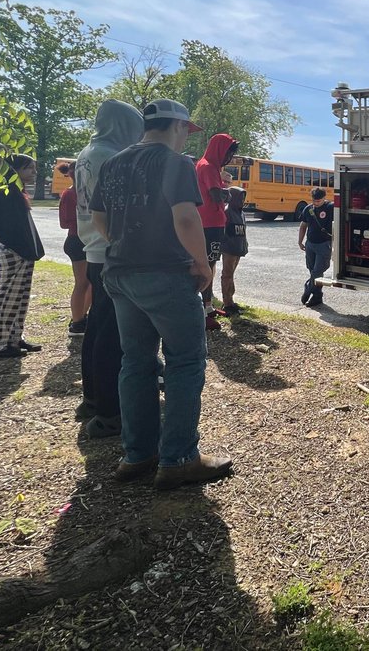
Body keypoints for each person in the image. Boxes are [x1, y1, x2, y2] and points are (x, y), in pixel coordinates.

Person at [90, 98, 232, 489]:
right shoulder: (175, 163)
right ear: (178, 126)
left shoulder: (114, 162)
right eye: (187, 130)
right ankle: (179, 459)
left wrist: (124, 245)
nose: (186, 137)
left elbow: (98, 217)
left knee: (136, 362)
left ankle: (138, 454)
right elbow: (186, 217)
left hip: (120, 273)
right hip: (166, 274)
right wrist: (202, 263)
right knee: (185, 361)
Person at [73, 99, 143, 436]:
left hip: (93, 247)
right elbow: (119, 208)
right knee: (112, 335)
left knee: (97, 328)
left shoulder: (87, 153)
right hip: (111, 249)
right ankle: (110, 410)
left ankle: (92, 397)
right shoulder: (112, 157)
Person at [0, 154, 45, 359]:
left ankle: (13, 339)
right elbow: (2, 226)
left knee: (19, 298)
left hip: (23, 251)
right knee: (4, 298)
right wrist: (17, 249)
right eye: (29, 168)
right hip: (11, 250)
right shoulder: (2, 192)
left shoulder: (17, 191)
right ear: (14, 169)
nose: (34, 172)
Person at [195, 133, 239, 331]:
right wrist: (227, 193)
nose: (229, 158)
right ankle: (201, 313)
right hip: (210, 223)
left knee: (210, 266)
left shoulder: (205, 165)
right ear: (219, 149)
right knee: (206, 267)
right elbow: (215, 195)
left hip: (210, 222)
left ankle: (208, 306)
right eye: (228, 153)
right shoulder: (209, 167)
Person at [57, 163, 91, 337]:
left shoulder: (87, 192)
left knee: (92, 282)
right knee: (82, 282)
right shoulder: (70, 194)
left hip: (88, 240)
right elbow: (64, 223)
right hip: (77, 241)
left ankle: (81, 316)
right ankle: (77, 322)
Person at [297, 187, 333, 307]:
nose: (315, 203)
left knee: (318, 271)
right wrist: (300, 241)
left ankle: (308, 288)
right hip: (310, 244)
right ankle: (317, 296)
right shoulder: (308, 209)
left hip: (324, 244)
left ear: (324, 198)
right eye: (314, 200)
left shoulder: (330, 207)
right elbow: (303, 225)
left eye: (318, 201)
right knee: (312, 270)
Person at [220, 186, 248, 314]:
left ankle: (231, 300)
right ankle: (227, 303)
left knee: (231, 275)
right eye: (240, 198)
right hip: (229, 249)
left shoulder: (242, 213)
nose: (242, 201)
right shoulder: (227, 212)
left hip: (238, 249)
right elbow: (223, 230)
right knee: (227, 275)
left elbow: (243, 232)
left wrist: (244, 246)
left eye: (244, 198)